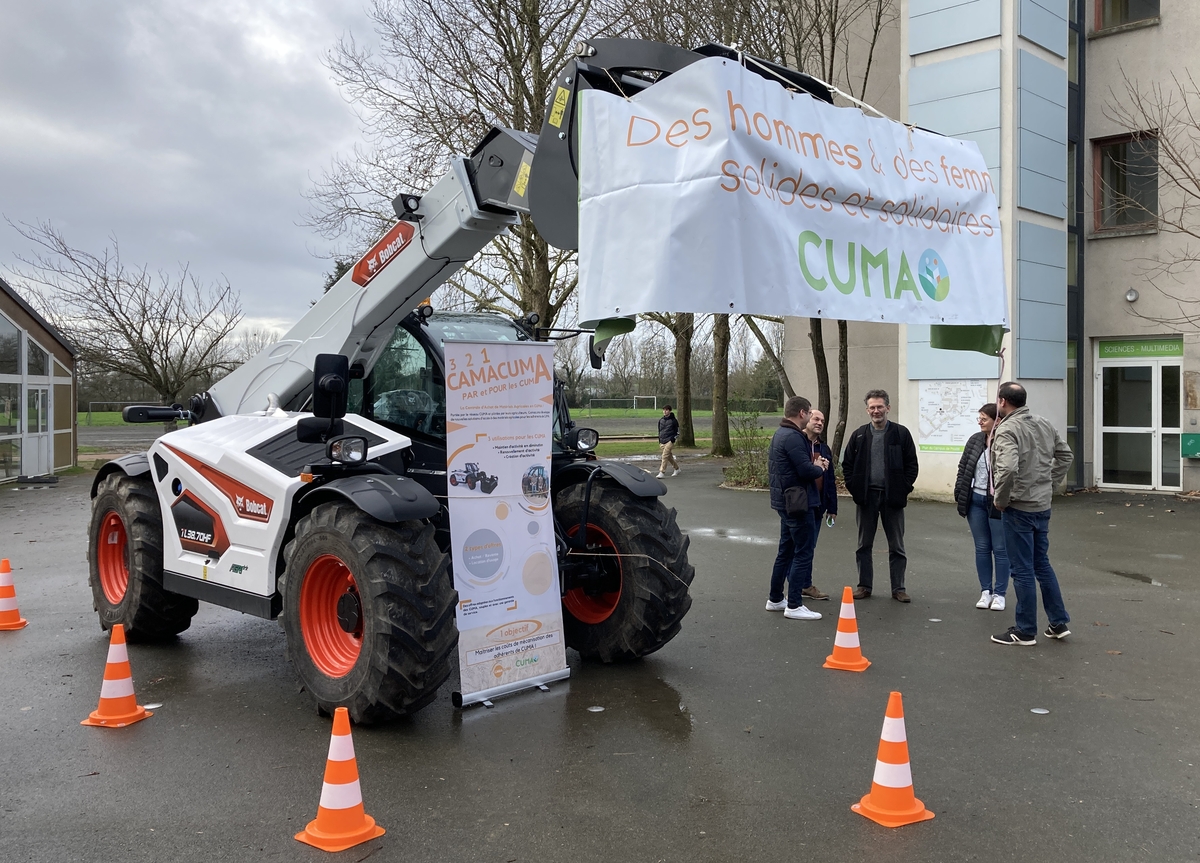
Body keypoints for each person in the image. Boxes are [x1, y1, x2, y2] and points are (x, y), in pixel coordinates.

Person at [989, 382, 1074, 646]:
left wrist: (1000, 500)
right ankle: (1058, 622)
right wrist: (1048, 482)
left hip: (1019, 507)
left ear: (1002, 401)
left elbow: (1008, 469)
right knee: (1041, 564)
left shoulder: (1006, 429)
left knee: (1022, 569)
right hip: (1041, 504)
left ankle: (1025, 630)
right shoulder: (1043, 423)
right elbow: (1066, 456)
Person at [840, 389, 919, 602]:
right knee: (863, 545)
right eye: (872, 407)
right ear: (867, 410)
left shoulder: (901, 434)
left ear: (888, 408)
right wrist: (855, 489)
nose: (876, 411)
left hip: (892, 498)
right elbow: (847, 465)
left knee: (897, 546)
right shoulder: (858, 435)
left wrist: (903, 488)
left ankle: (898, 588)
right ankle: (864, 586)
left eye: (880, 407)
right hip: (866, 498)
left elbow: (912, 465)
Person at [766, 395, 828, 620]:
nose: (812, 417)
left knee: (785, 551)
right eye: (810, 413)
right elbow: (806, 471)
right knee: (803, 552)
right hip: (799, 504)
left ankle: (775, 599)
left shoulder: (780, 434)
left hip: (787, 502)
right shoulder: (793, 437)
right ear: (802, 413)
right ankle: (794, 604)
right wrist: (819, 466)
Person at [953, 404, 1009, 611]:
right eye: (979, 418)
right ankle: (985, 591)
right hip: (975, 500)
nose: (980, 422)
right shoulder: (975, 440)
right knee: (982, 547)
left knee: (1001, 549)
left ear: (998, 420)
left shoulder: (1005, 440)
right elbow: (963, 467)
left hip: (997, 502)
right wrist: (960, 492)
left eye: (984, 418)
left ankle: (1000, 594)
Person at [801, 409, 837, 601]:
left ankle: (804, 585)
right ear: (806, 419)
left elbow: (830, 479)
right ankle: (802, 584)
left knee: (809, 548)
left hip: (818, 506)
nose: (820, 423)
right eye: (816, 418)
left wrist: (832, 508)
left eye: (822, 420)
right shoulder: (798, 445)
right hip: (800, 505)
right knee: (800, 548)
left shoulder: (824, 449)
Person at [656, 405, 680, 479]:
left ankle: (662, 472)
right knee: (669, 457)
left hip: (670, 440)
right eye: (664, 410)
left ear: (669, 411)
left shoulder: (673, 421)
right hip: (662, 440)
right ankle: (677, 469)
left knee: (664, 456)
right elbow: (659, 431)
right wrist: (660, 440)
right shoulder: (661, 420)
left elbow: (678, 432)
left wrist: (673, 439)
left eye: (666, 410)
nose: (665, 411)